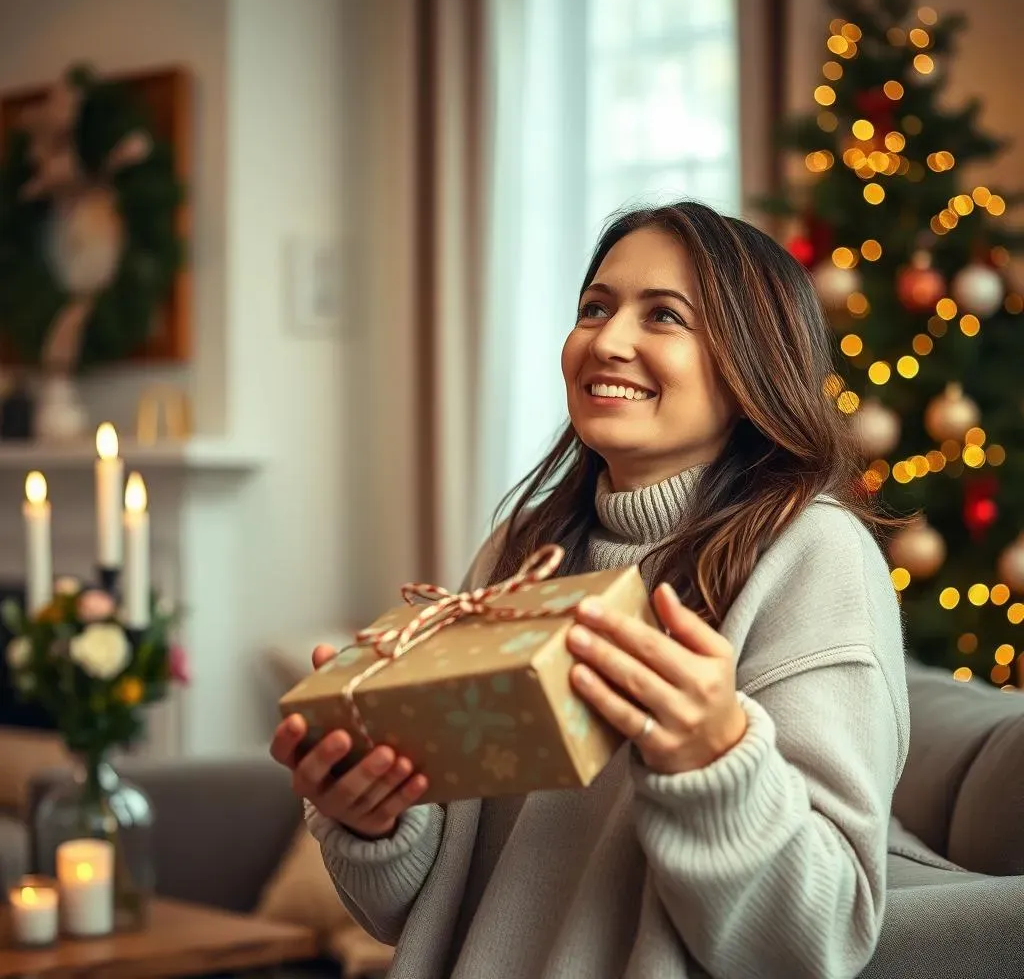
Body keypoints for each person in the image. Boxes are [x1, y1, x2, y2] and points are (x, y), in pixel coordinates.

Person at [271, 201, 910, 979]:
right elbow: (416, 912)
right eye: (593, 309)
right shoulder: (524, 551)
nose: (607, 342)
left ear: (752, 363)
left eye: (664, 316)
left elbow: (817, 940)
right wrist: (373, 823)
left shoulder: (813, 556)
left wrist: (715, 764)